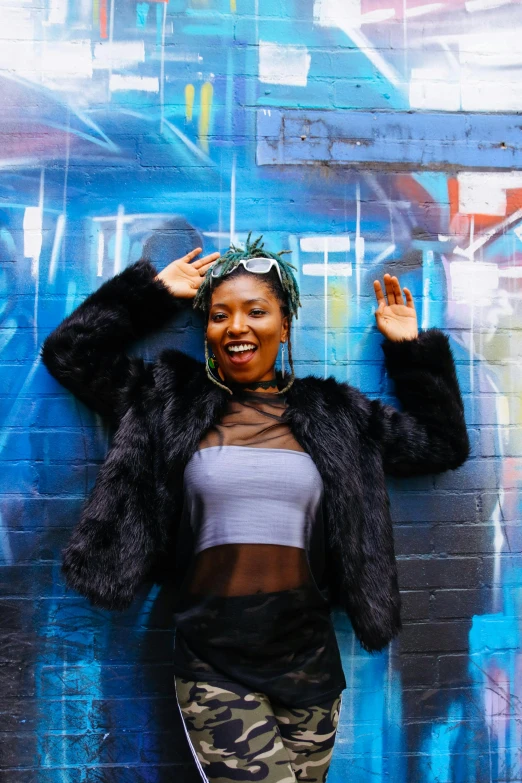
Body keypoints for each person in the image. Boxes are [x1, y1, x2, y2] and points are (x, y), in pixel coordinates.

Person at [40, 234, 470, 783]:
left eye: (255, 311)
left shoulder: (336, 414)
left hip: (311, 668)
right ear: (208, 331)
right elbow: (69, 353)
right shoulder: (169, 401)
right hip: (216, 665)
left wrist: (409, 350)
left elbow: (441, 444)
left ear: (284, 325)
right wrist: (151, 294)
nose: (236, 326)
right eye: (220, 316)